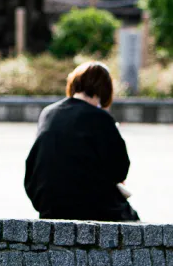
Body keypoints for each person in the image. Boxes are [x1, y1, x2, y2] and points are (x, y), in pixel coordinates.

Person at [24, 61, 138, 222]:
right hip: (90, 208)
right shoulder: (100, 118)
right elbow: (120, 171)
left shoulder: (48, 113)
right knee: (131, 221)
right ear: (105, 91)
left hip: (48, 205)